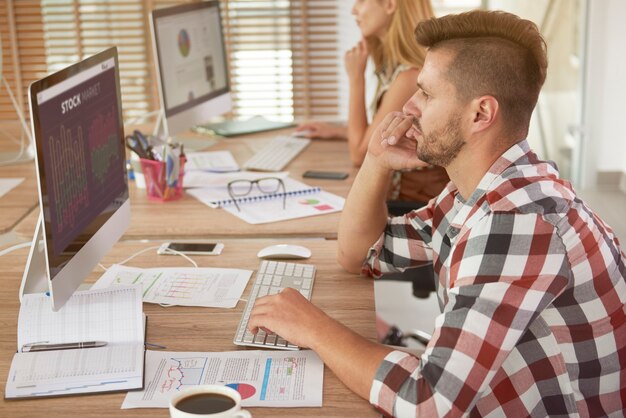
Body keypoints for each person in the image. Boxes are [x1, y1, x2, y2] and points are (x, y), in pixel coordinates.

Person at [248, 10, 626, 417]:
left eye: (426, 94)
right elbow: (362, 253)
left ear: (480, 114)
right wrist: (377, 160)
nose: (409, 107)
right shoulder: (483, 188)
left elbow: (427, 402)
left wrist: (312, 328)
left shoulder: (518, 220)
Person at [296, 0, 448, 207]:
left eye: (361, 1)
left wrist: (355, 78)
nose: (353, 9)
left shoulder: (409, 76)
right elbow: (393, 133)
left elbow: (360, 154)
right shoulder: (396, 68)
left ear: (388, 5)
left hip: (413, 205)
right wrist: (339, 132)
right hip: (401, 196)